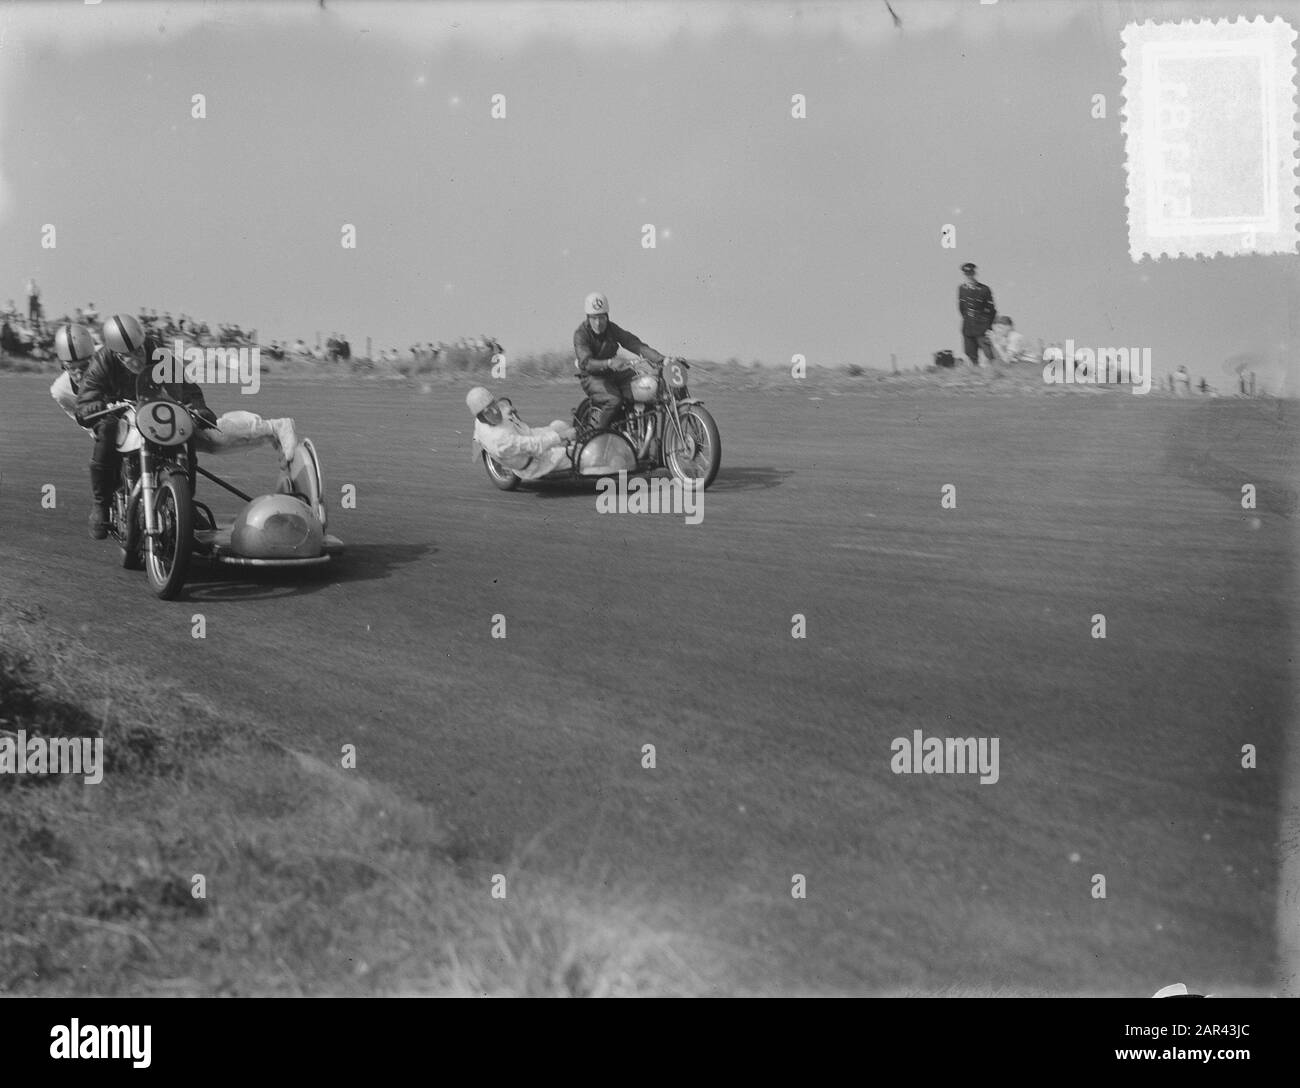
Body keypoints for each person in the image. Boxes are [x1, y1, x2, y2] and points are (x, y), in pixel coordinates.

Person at [74, 314, 299, 540]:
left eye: (139, 350)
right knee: (107, 432)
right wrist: (94, 407)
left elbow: (186, 387)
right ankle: (101, 504)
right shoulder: (102, 361)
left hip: (155, 414)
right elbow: (85, 401)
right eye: (129, 355)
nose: (138, 357)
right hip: (122, 418)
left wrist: (198, 408)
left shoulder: (157, 351)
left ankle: (184, 502)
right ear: (117, 355)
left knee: (199, 434)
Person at [573, 291, 666, 433]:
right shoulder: (581, 334)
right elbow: (586, 363)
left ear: (607, 316)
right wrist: (609, 363)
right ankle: (596, 435)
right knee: (614, 400)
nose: (598, 323)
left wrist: (662, 359)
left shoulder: (612, 329)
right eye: (594, 318)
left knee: (645, 386)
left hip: (613, 373)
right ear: (588, 318)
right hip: (592, 377)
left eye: (602, 317)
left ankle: (637, 430)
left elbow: (634, 344)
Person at [468, 386, 575, 481]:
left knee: (560, 425)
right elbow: (534, 445)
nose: (496, 411)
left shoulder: (479, 423)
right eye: (488, 411)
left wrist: (506, 410)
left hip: (528, 436)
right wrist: (561, 437)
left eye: (493, 404)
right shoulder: (500, 439)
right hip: (536, 462)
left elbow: (479, 438)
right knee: (578, 455)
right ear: (481, 417)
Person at [957, 262, 997, 366]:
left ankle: (995, 371)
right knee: (971, 354)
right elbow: (961, 308)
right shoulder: (962, 289)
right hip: (968, 326)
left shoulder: (984, 289)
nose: (969, 276)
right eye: (967, 274)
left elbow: (992, 310)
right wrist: (968, 319)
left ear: (975, 273)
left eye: (971, 274)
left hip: (982, 326)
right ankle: (975, 371)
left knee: (989, 354)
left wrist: (988, 326)